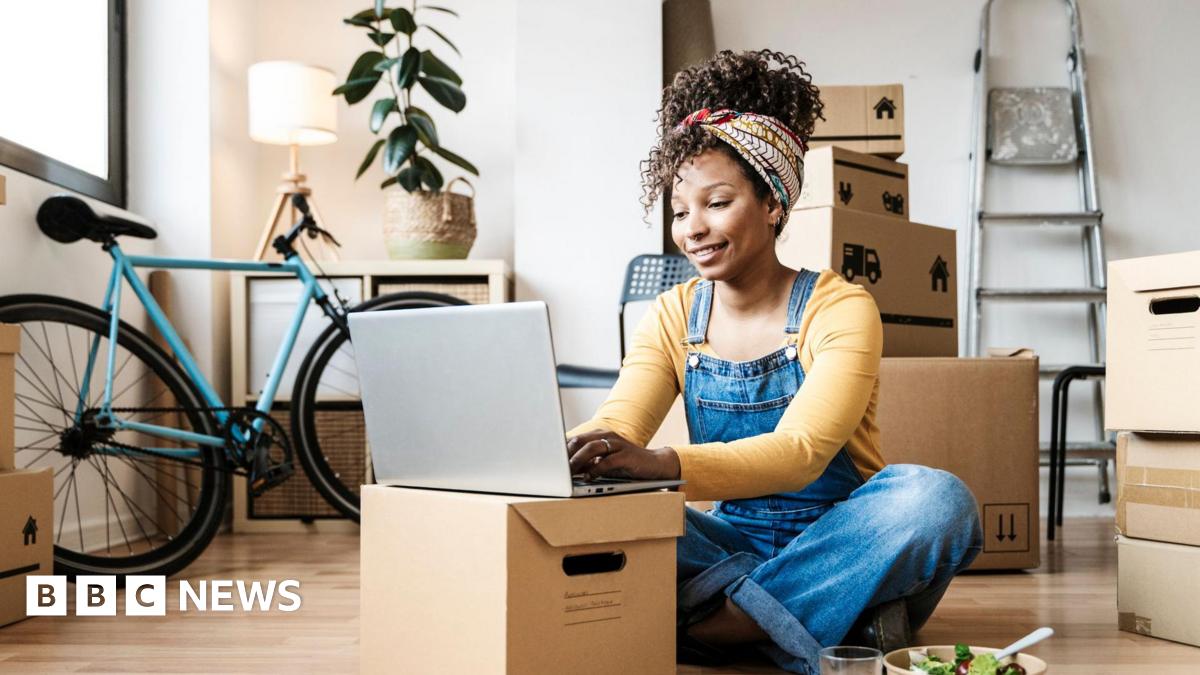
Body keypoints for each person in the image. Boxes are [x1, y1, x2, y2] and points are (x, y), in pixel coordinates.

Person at [564, 49, 982, 674]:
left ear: (774, 204)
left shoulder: (840, 307)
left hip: (846, 540)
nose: (693, 229)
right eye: (680, 211)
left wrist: (661, 464)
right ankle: (832, 623)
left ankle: (720, 626)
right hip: (728, 547)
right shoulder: (674, 314)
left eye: (717, 202)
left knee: (935, 499)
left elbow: (802, 452)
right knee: (590, 503)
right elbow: (619, 424)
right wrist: (564, 457)